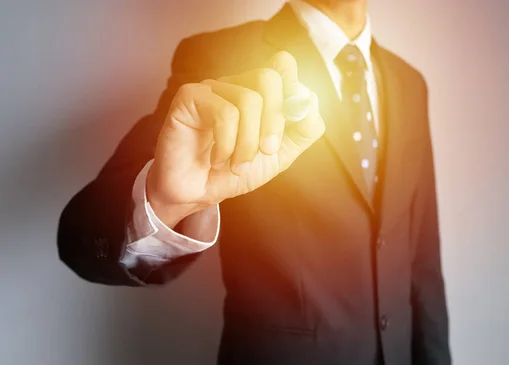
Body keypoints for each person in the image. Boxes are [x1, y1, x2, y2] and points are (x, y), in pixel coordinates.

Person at [57, 0, 451, 363]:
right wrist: (165, 200)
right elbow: (81, 239)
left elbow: (423, 263)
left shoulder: (409, 84)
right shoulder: (220, 56)